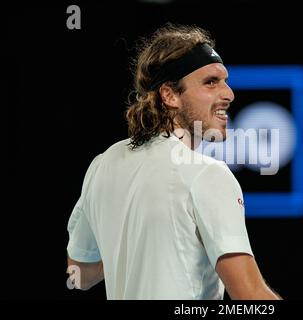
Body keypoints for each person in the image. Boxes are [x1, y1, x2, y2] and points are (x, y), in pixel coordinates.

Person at [66, 23, 281, 300]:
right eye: (211, 82)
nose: (229, 94)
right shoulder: (207, 174)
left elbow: (79, 274)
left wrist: (133, 246)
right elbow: (251, 297)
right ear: (170, 95)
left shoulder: (102, 165)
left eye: (225, 81)